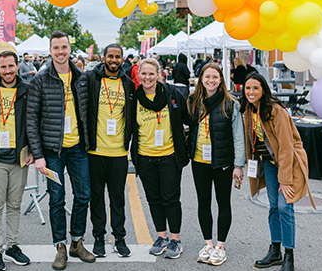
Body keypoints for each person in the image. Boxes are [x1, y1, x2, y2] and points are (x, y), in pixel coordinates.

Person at [27, 30, 95, 270]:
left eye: (64, 47)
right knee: (56, 199)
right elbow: (31, 119)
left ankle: (76, 241)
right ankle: (60, 247)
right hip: (52, 152)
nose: (60, 52)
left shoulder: (82, 78)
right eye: (56, 48)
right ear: (50, 51)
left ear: (69, 49)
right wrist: (38, 154)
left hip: (78, 148)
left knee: (84, 195)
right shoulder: (41, 79)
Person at [240, 73, 315, 271]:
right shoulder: (249, 110)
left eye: (255, 88)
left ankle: (288, 255)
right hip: (269, 163)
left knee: (284, 206)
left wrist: (285, 181)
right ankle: (275, 251)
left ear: (263, 89)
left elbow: (286, 147)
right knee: (273, 206)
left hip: (287, 163)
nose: (251, 92)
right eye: (248, 88)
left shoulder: (275, 111)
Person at [130, 58, 189, 259]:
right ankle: (161, 237)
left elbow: (189, 119)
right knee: (153, 199)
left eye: (151, 73)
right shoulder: (134, 98)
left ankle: (175, 240)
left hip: (169, 157)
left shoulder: (172, 94)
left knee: (170, 199)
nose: (147, 77)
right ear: (139, 76)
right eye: (143, 74)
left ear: (159, 74)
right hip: (145, 157)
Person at [187, 63, 245, 266]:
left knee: (223, 203)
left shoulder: (230, 103)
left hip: (223, 162)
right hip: (199, 160)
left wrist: (239, 165)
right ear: (201, 78)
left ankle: (220, 246)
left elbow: (239, 136)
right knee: (203, 202)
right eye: (207, 77)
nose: (211, 80)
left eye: (215, 77)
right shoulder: (193, 101)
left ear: (221, 80)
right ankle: (208, 244)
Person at [0, 50, 34, 271]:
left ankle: (12, 246)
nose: (8, 71)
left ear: (17, 65)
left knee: (14, 204)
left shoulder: (27, 91)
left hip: (19, 157)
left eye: (11, 66)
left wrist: (33, 149)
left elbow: (34, 121)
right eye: (3, 67)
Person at [83, 43, 135, 258]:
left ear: (122, 59)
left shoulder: (128, 84)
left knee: (117, 198)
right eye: (110, 56)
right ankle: (98, 238)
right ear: (103, 58)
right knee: (96, 198)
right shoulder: (91, 80)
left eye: (118, 57)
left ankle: (120, 237)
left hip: (119, 153)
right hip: (95, 152)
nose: (114, 60)